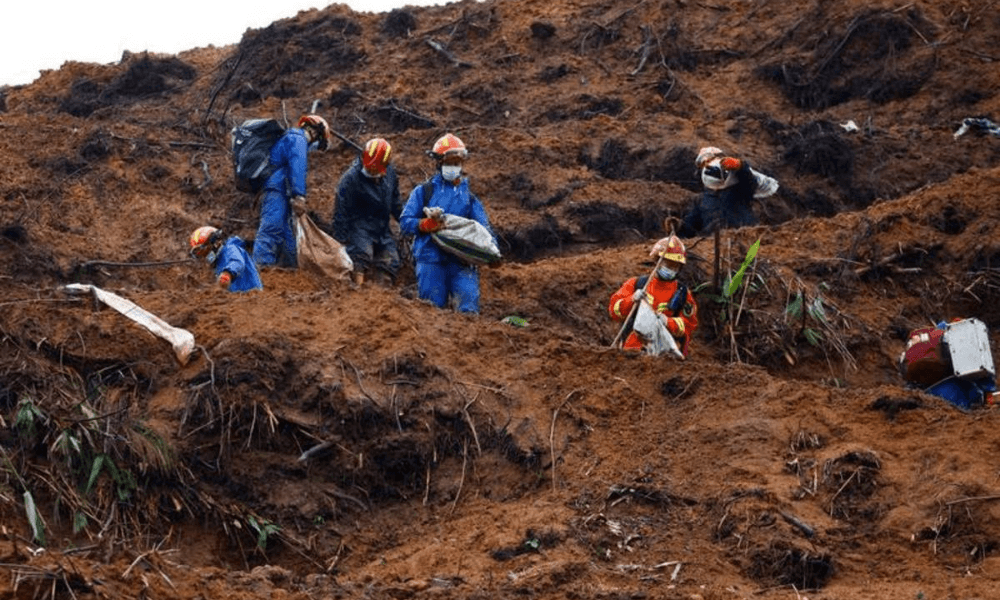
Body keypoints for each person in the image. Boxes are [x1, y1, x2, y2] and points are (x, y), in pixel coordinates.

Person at [399, 133, 496, 313]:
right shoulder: (423, 192)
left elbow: (483, 229)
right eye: (449, 162)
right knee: (432, 311)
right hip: (430, 259)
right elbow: (405, 222)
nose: (453, 167)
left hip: (461, 261)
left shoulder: (468, 198)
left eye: (457, 163)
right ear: (439, 163)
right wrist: (424, 225)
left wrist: (492, 252)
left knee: (468, 307)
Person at [252, 114, 332, 268]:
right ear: (315, 133)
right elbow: (297, 168)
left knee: (288, 233)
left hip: (282, 190)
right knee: (272, 228)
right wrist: (299, 195)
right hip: (276, 189)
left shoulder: (292, 138)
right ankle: (260, 269)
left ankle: (291, 270)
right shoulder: (298, 139)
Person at [609, 235, 698, 357]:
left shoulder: (682, 292)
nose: (671, 269)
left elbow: (690, 325)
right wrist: (632, 300)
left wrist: (668, 322)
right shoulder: (637, 284)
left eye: (675, 266)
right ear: (657, 261)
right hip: (632, 353)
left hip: (666, 356)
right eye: (668, 263)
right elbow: (614, 311)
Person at [332, 137, 403, 286]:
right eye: (369, 167)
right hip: (360, 226)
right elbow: (341, 211)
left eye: (375, 169)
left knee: (392, 259)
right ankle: (357, 288)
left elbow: (395, 202)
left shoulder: (390, 174)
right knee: (361, 254)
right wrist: (341, 240)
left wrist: (406, 221)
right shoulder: (350, 179)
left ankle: (382, 290)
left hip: (382, 228)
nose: (371, 171)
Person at [678, 146, 779, 237]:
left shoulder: (740, 190)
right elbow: (691, 226)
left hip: (743, 238)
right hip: (714, 244)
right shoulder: (701, 200)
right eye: (706, 163)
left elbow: (749, 181)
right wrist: (677, 229)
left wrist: (740, 166)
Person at [189, 226, 263, 292]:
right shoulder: (218, 263)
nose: (204, 255)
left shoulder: (230, 249)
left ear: (215, 243)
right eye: (200, 253)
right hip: (239, 299)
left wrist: (227, 273)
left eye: (204, 250)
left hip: (252, 293)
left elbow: (237, 262)